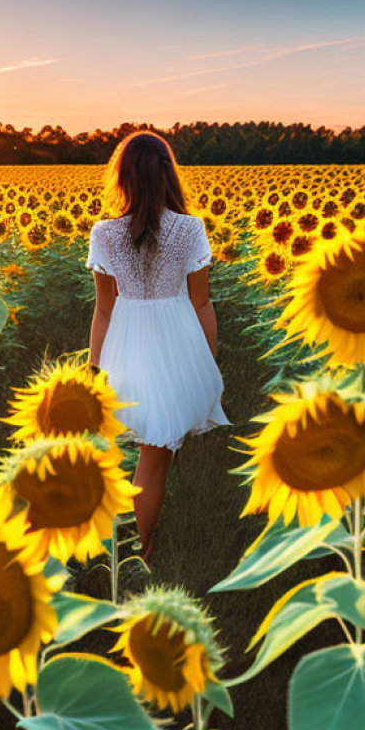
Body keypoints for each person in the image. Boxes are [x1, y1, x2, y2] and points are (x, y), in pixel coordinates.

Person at [85, 130, 230, 564]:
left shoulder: (105, 233)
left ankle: (124, 543)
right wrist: (207, 359)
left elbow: (105, 309)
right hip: (176, 338)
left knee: (141, 446)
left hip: (126, 340)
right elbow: (201, 301)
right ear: (169, 174)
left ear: (123, 177)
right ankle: (140, 555)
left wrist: (94, 366)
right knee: (155, 454)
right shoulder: (190, 228)